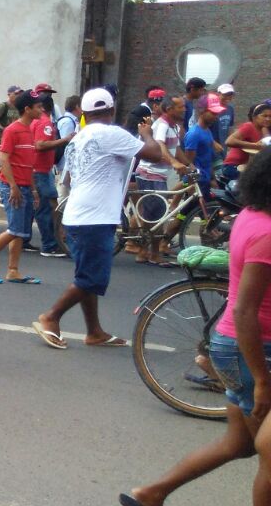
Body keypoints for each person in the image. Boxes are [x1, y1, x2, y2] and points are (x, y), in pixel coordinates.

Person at [118, 150, 271, 506]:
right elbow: (244, 311)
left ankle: (153, 492)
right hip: (253, 350)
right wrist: (260, 380)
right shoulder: (266, 233)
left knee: (238, 445)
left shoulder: (252, 217)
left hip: (239, 345)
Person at [32, 87, 164, 349]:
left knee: (86, 276)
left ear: (84, 112)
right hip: (95, 217)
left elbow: (70, 176)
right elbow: (155, 155)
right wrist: (147, 134)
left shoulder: (79, 137)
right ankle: (51, 317)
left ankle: (94, 331)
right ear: (112, 111)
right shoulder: (111, 133)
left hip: (79, 214)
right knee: (92, 279)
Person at [0, 91, 43, 285]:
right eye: (37, 107)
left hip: (25, 186)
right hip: (12, 186)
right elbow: (4, 158)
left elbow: (28, 164)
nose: (41, 110)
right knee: (15, 230)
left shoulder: (30, 130)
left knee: (21, 231)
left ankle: (13, 270)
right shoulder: (12, 130)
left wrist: (33, 189)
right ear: (27, 109)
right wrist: (13, 186)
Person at [132, 96, 189, 266]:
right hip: (150, 173)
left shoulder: (173, 126)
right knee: (156, 216)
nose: (184, 109)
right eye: (181, 107)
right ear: (169, 109)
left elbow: (176, 149)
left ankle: (145, 252)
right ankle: (151, 252)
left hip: (159, 174)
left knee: (154, 215)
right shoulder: (162, 125)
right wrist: (173, 162)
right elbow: (160, 147)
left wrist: (190, 165)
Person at [28, 86, 65, 257]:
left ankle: (31, 240)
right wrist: (64, 140)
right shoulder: (44, 122)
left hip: (40, 170)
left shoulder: (36, 121)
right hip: (40, 171)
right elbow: (40, 145)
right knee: (46, 208)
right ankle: (49, 245)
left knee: (47, 206)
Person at [186, 95, 227, 201]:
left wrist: (212, 178)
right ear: (202, 111)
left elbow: (207, 158)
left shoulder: (207, 131)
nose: (216, 116)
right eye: (213, 113)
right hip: (198, 181)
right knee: (193, 211)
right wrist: (191, 187)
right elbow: (189, 162)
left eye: (217, 113)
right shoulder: (194, 134)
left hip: (206, 178)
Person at [222, 101, 271, 180]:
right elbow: (229, 141)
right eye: (264, 116)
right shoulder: (249, 126)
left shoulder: (264, 130)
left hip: (246, 168)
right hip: (232, 167)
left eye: (270, 116)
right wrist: (256, 145)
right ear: (254, 117)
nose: (268, 119)